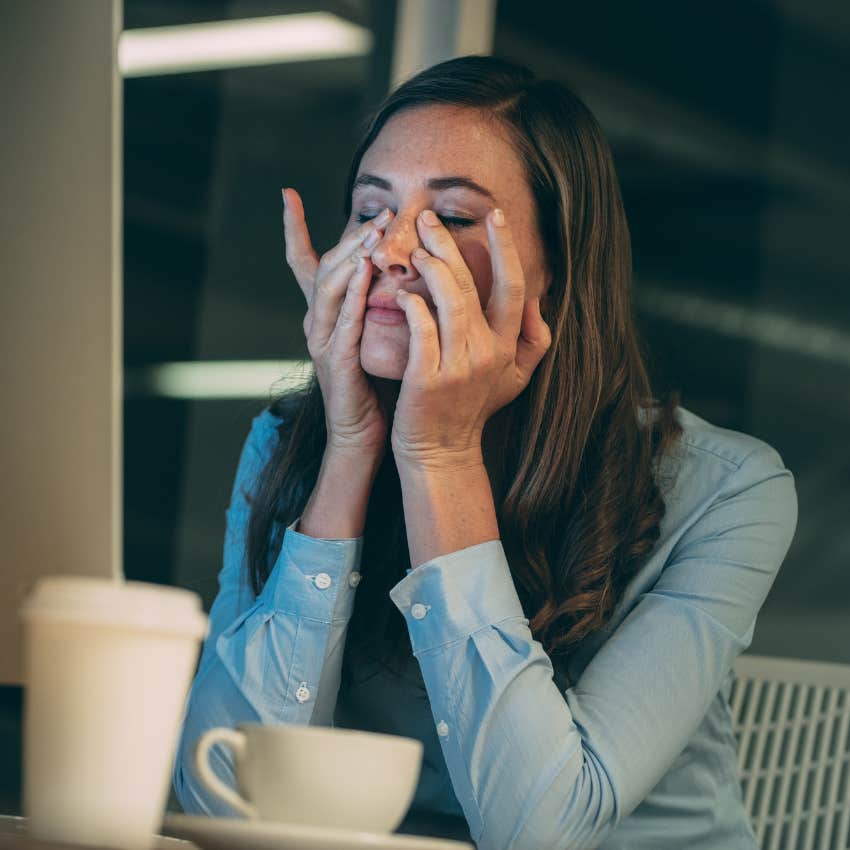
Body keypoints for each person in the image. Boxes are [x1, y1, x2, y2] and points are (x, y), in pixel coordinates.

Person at [172, 55, 798, 850]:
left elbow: (540, 832)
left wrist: (441, 457)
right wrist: (353, 447)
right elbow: (217, 804)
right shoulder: (286, 448)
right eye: (371, 210)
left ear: (557, 271)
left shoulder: (729, 491)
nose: (389, 250)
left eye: (454, 220)